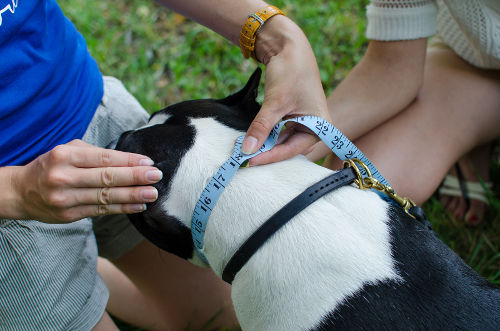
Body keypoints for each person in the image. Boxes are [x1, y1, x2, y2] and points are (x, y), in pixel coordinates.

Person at [0, 0, 330, 329]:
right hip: (9, 212)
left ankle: (88, 268)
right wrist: (15, 191)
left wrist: (277, 35)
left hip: (91, 107)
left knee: (219, 321)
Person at [251, 0, 500, 225]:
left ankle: (471, 129)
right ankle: (471, 125)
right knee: (349, 190)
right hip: (471, 63)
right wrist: (279, 152)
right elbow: (391, 67)